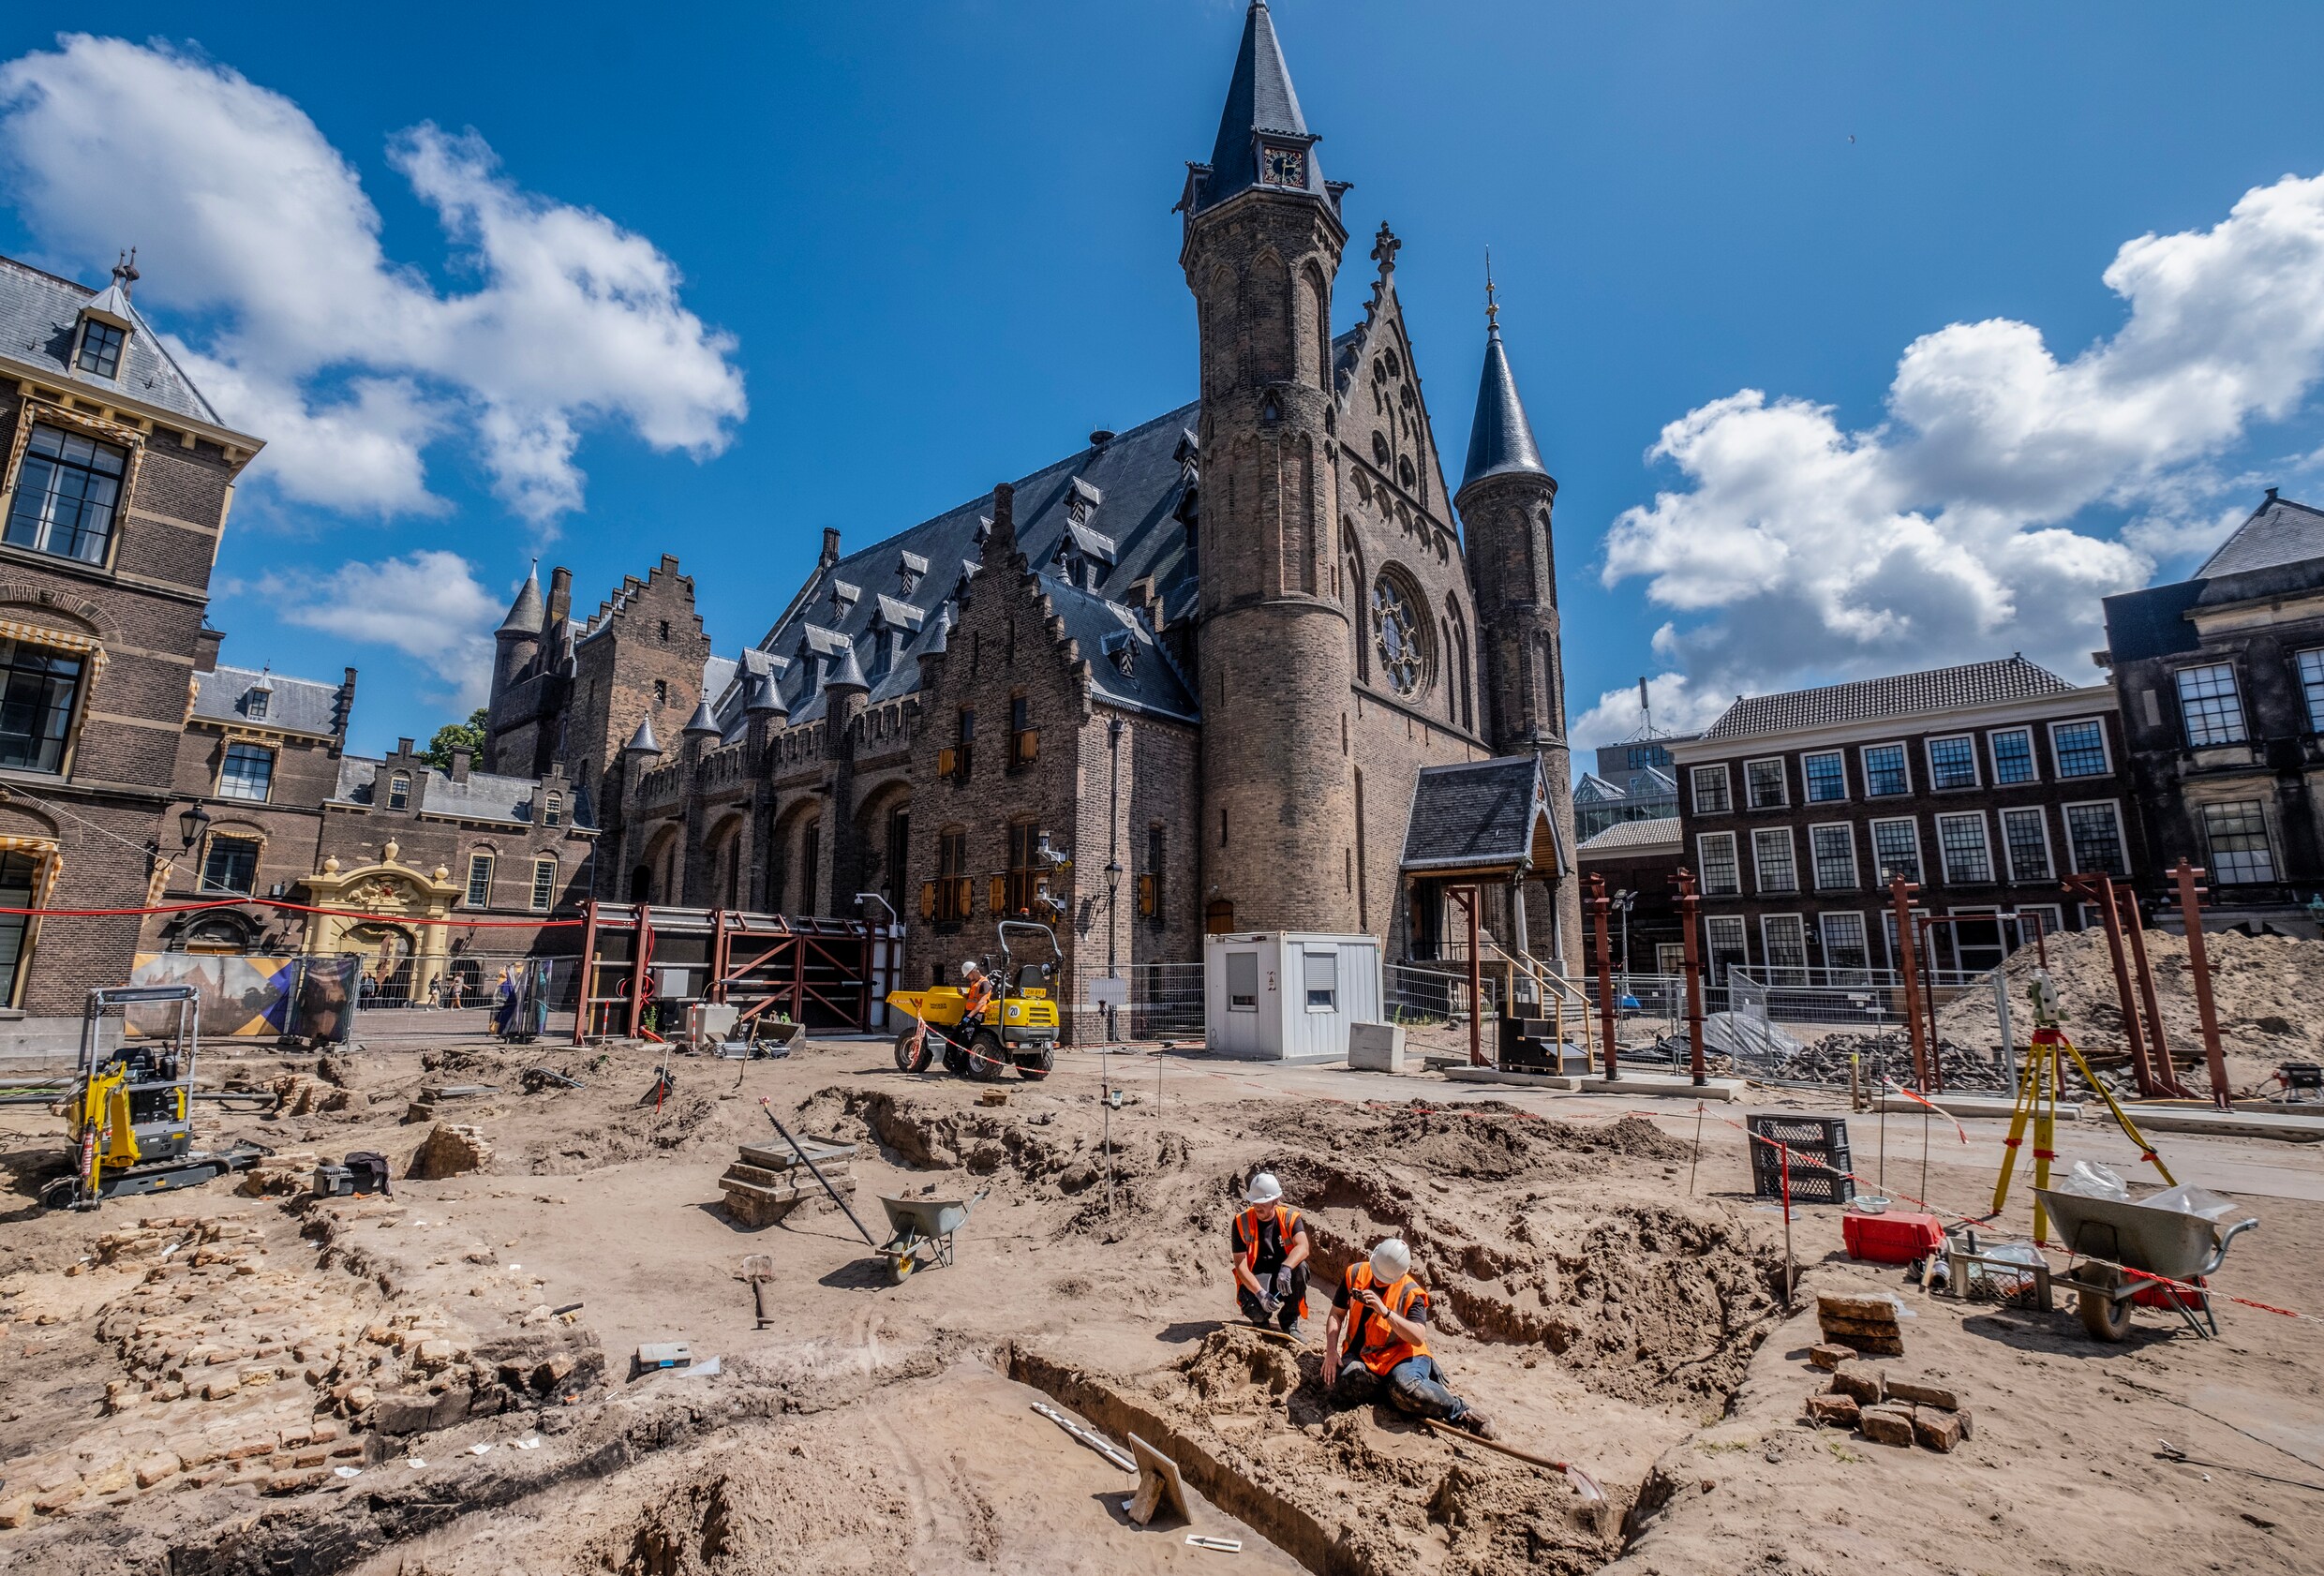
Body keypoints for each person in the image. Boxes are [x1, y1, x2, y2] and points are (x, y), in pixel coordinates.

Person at [1325, 1238, 1494, 1439]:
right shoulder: (1355, 1273)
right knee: (1347, 1383)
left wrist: (1385, 1312)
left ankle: (1462, 1411)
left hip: (1403, 1355)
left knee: (1405, 1387)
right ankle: (1393, 1394)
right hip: (1364, 1353)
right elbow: (1336, 1314)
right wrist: (1331, 1351)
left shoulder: (1411, 1293)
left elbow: (1417, 1337)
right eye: (1377, 1274)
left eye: (1385, 1279)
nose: (1379, 1280)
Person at [1229, 1172, 1310, 1333]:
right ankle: (1261, 1319)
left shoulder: (1290, 1218)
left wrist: (1286, 1268)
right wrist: (1260, 1294)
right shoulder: (1241, 1222)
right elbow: (1240, 1265)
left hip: (1282, 1280)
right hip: (1256, 1282)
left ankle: (1289, 1320)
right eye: (1255, 1201)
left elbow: (1303, 1247)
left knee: (1301, 1268)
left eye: (1263, 1202)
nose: (1258, 1206)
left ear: (1275, 1201)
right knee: (1257, 1314)